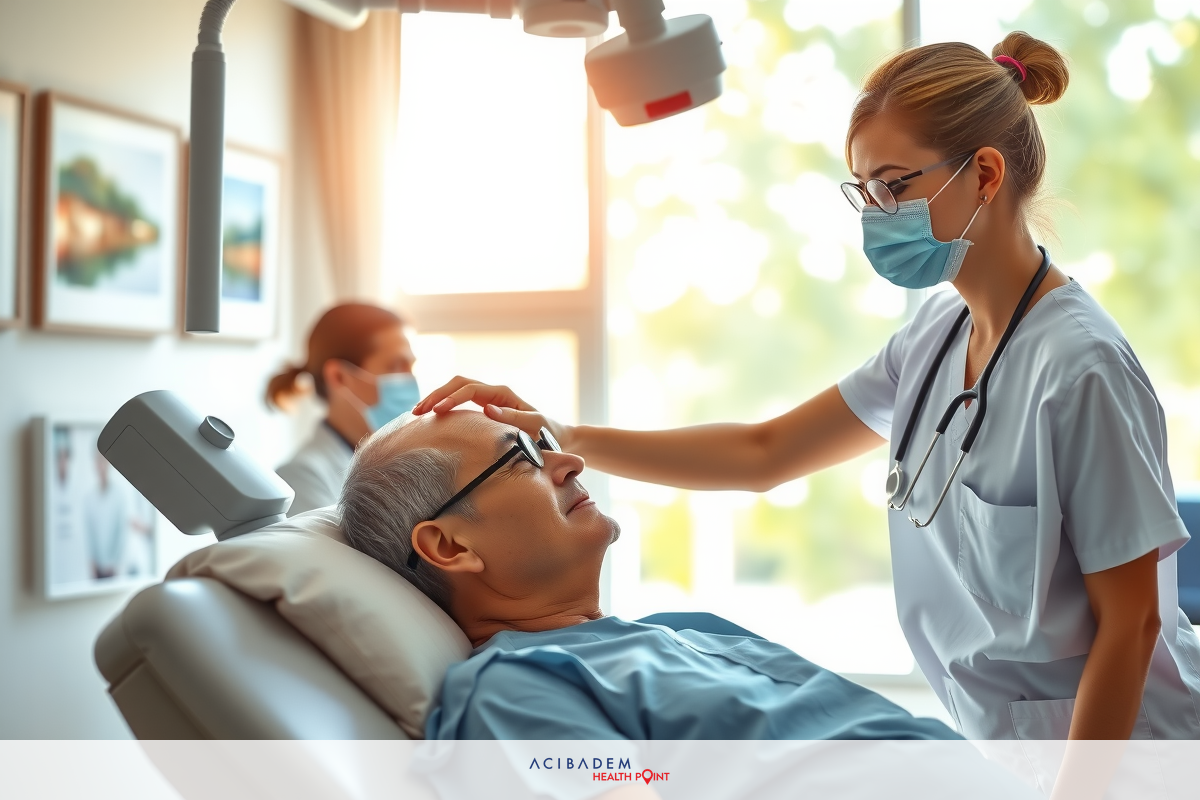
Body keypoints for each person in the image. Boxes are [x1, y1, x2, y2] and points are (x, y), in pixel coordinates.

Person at [414, 32, 1200, 745]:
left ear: (984, 175)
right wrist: (563, 434)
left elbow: (1130, 627)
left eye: (892, 186)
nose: (875, 215)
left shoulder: (1081, 368)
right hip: (1009, 748)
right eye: (863, 191)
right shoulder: (936, 336)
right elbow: (765, 452)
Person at [338, 409, 958, 741]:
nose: (570, 460)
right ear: (448, 545)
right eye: (521, 456)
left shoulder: (681, 630)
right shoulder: (516, 690)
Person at [267, 302, 419, 516]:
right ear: (339, 377)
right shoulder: (301, 479)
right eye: (395, 366)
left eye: (411, 367)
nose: (409, 381)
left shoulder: (391, 463)